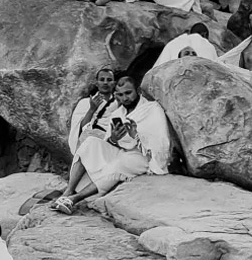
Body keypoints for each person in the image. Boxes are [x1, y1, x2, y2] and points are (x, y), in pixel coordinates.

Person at [51, 74, 170, 214]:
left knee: (119, 164)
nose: (125, 98)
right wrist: (114, 139)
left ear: (138, 91)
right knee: (90, 142)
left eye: (128, 93)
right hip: (123, 152)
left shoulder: (151, 109)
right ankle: (69, 190)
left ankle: (73, 199)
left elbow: (160, 142)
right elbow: (111, 142)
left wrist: (136, 135)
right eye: (120, 95)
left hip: (143, 157)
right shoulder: (117, 114)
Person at [68, 66, 118, 154]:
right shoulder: (84, 102)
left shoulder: (120, 105)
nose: (105, 82)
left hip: (111, 147)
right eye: (102, 80)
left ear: (114, 83)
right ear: (96, 83)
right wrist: (92, 110)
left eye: (109, 80)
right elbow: (79, 130)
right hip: (90, 147)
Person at [153, 23, 218, 67]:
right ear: (205, 35)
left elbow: (157, 69)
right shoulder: (208, 45)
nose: (191, 55)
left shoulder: (173, 43)